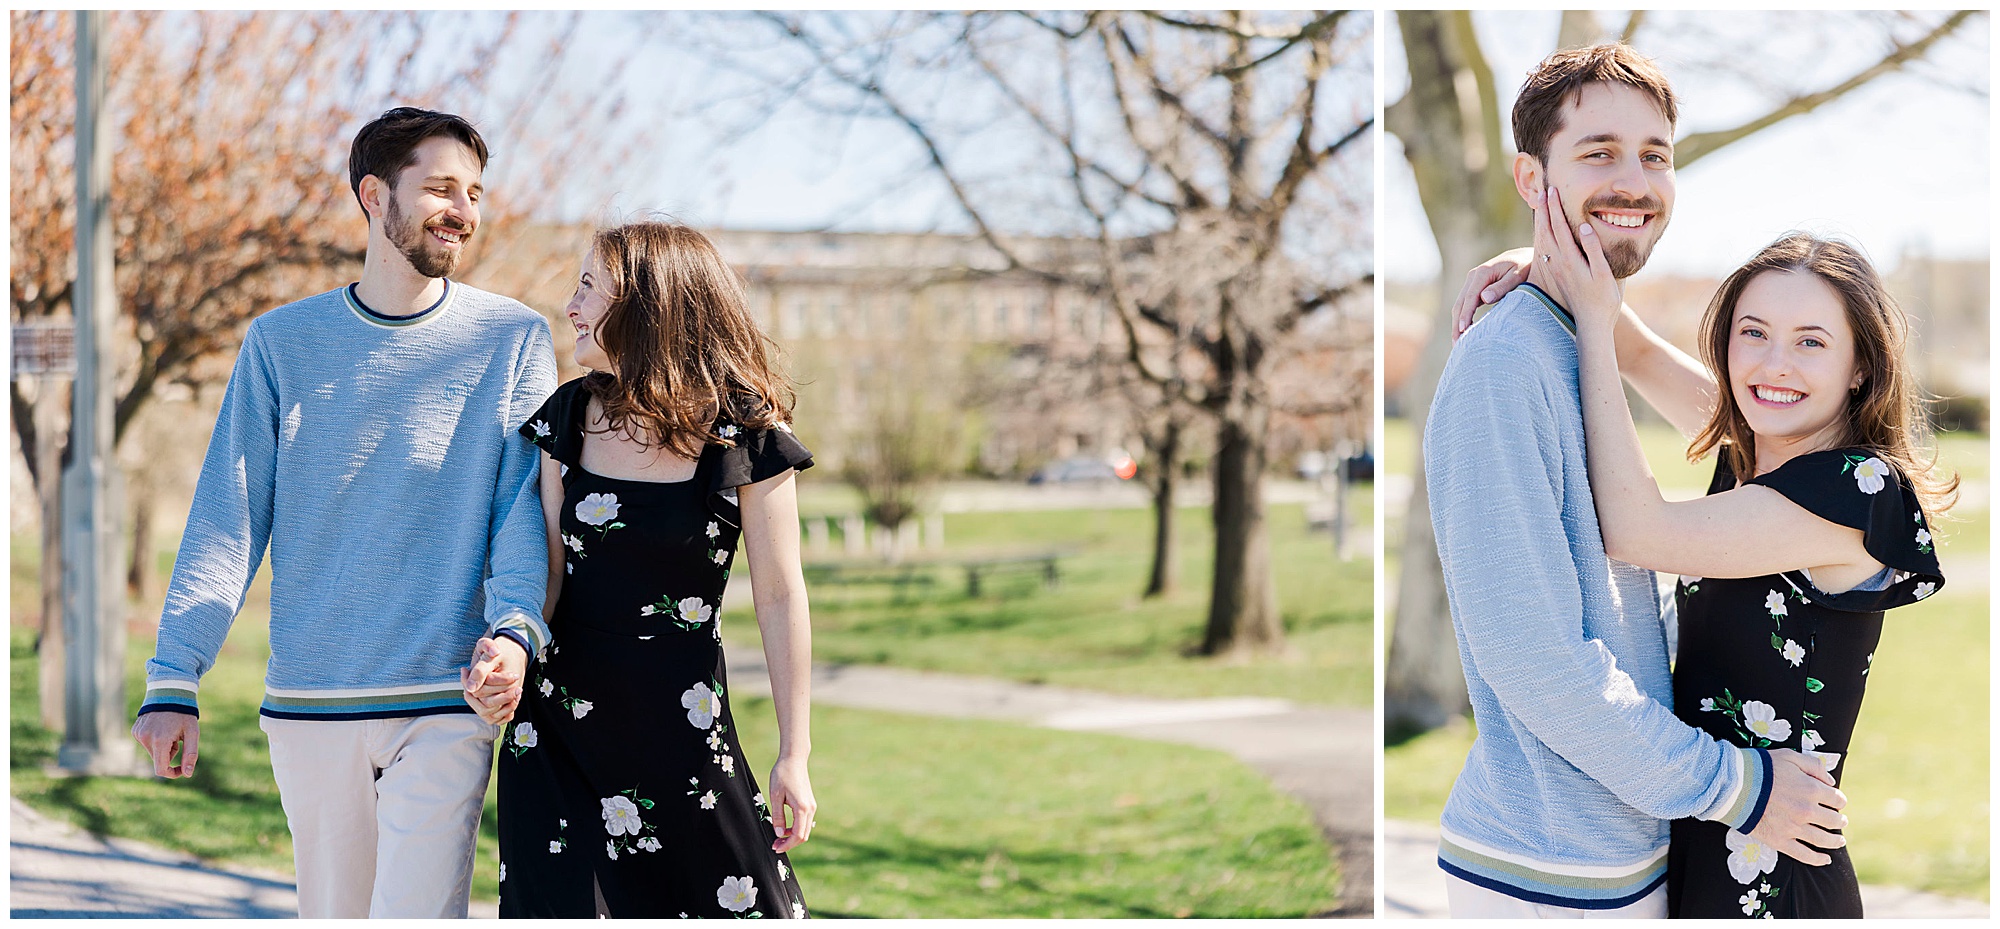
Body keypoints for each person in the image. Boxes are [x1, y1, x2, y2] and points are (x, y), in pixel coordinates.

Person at [1422, 45, 1848, 919]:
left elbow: (1761, 438)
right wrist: (1735, 784)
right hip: (1547, 876)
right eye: (1598, 153)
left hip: (1629, 858)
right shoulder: (1506, 364)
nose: (1634, 179)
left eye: (1655, 155)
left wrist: (1577, 289)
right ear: (1531, 178)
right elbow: (1533, 658)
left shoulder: (1576, 340)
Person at [131, 107, 555, 918]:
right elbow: (230, 514)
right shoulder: (282, 343)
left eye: (473, 191)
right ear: (373, 195)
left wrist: (512, 629)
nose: (463, 211)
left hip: (443, 696)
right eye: (439, 187)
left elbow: (519, 509)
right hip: (311, 703)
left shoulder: (510, 338)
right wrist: (174, 674)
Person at [1475, 201, 1952, 916]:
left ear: (1860, 368)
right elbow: (1636, 351)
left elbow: (1635, 529)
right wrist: (1541, 264)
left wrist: (1592, 329)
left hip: (1775, 878)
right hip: (1713, 840)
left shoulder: (1855, 491)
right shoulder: (1760, 451)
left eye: (1811, 342)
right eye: (1751, 332)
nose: (1773, 363)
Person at [464, 221, 816, 918]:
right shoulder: (568, 416)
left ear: (651, 306)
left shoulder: (745, 435)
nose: (570, 305)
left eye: (590, 286)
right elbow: (550, 572)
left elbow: (779, 596)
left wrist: (793, 753)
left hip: (685, 737)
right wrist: (509, 652)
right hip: (556, 733)